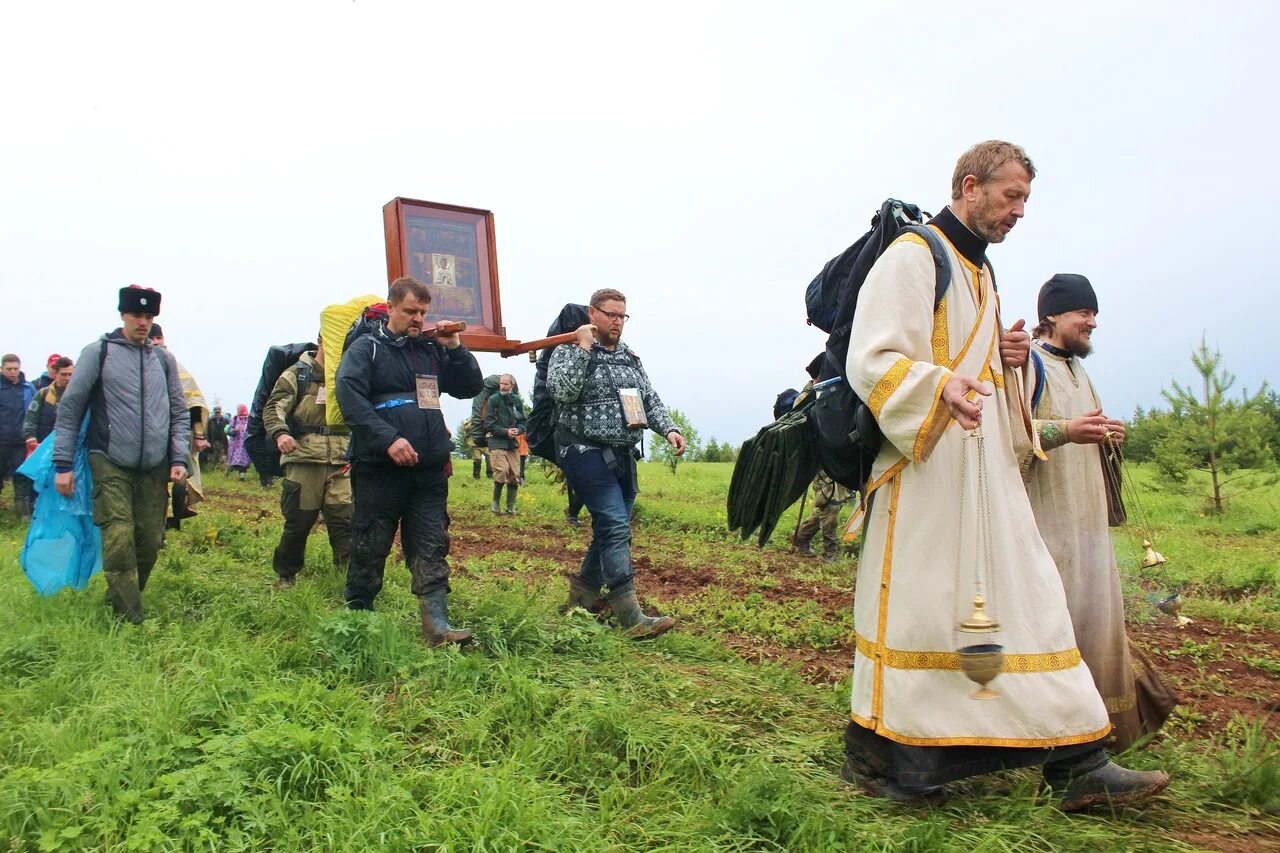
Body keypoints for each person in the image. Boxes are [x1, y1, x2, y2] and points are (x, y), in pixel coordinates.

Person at [839, 141, 1168, 809]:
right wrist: (939, 390)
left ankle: (1078, 760)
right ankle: (895, 761)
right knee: (929, 621)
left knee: (1033, 604)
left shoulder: (981, 276)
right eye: (1010, 195)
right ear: (969, 186)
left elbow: (978, 369)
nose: (1019, 211)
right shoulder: (913, 257)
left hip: (987, 478)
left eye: (1025, 200)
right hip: (925, 475)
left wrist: (1004, 356)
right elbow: (870, 357)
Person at [1021, 274, 1176, 751]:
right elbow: (1011, 433)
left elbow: (1085, 430)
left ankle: (1101, 737)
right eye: (1082, 314)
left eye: (1094, 314)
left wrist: (1109, 439)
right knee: (1055, 630)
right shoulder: (1027, 364)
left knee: (1096, 626)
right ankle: (1052, 740)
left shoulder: (1079, 370)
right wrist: (1067, 429)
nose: (1092, 322)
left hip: (1087, 526)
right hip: (1046, 527)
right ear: (1052, 316)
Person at [335, 276, 483, 645]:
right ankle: (358, 619)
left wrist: (456, 349)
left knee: (432, 542)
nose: (418, 318)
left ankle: (437, 627)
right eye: (410, 311)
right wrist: (388, 439)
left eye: (423, 312)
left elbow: (469, 387)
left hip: (430, 470)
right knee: (371, 541)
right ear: (391, 309)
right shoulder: (366, 349)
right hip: (379, 468)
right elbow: (350, 398)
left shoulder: (431, 350)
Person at [547, 287, 683, 639]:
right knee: (615, 525)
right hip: (583, 450)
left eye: (622, 316)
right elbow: (562, 391)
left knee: (610, 528)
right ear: (592, 314)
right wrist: (582, 349)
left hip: (622, 454)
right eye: (610, 314)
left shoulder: (630, 357)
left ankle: (582, 598)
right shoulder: (566, 351)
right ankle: (630, 615)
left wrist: (668, 430)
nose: (617, 322)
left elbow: (649, 398)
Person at [52, 285, 190, 622]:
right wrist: (63, 464)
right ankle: (129, 620)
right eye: (136, 316)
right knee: (118, 537)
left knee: (149, 539)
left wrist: (178, 458)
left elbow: (179, 412)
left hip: (154, 464)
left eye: (149, 317)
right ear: (122, 315)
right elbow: (70, 408)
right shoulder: (98, 353)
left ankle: (122, 596)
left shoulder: (163, 360)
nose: (143, 323)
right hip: (109, 459)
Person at [263, 334, 352, 588]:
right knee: (299, 522)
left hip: (341, 459)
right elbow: (274, 407)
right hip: (303, 457)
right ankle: (286, 575)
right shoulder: (297, 373)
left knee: (345, 520)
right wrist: (280, 434)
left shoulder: (346, 373)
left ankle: (348, 578)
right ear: (322, 340)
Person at [148, 324, 209, 528]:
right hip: (151, 435)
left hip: (176, 434)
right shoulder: (139, 366)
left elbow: (193, 403)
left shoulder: (175, 367)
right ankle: (160, 522)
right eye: (153, 338)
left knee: (180, 475)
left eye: (159, 337)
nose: (157, 342)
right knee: (156, 483)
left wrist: (199, 435)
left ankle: (177, 516)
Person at [484, 373, 526, 514]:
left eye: (506, 384)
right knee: (501, 470)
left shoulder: (517, 401)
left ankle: (510, 507)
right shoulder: (493, 400)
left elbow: (523, 422)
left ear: (511, 386)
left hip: (511, 443)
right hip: (496, 440)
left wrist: (518, 430)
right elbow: (489, 423)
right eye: (501, 383)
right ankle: (495, 503)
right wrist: (505, 431)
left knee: (515, 474)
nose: (502, 386)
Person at [1, 354, 35, 520]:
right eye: (9, 369)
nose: (13, 372)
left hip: (20, 443)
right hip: (1, 441)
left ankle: (22, 517)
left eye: (15, 368)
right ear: (2, 369)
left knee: (22, 478)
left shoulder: (28, 389)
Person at [24, 356, 74, 452]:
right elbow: (31, 417)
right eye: (64, 374)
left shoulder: (80, 394)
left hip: (70, 445)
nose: (67, 378)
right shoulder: (43, 393)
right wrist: (30, 436)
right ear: (55, 374)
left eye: (70, 374)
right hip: (44, 444)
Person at [226, 404, 251, 480]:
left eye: (239, 409)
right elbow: (229, 431)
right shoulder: (235, 419)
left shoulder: (249, 419)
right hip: (235, 445)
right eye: (237, 409)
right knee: (233, 460)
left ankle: (242, 477)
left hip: (245, 444)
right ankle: (227, 474)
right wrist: (234, 430)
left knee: (244, 461)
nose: (237, 411)